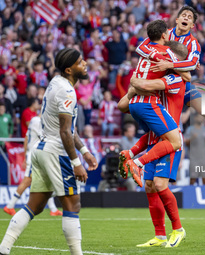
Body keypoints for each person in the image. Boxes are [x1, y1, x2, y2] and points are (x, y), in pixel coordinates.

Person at [0, 48, 98, 255]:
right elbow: (64, 132)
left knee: (34, 206)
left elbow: (69, 130)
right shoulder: (68, 91)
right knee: (72, 204)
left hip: (42, 149)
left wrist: (85, 151)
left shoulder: (56, 82)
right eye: (81, 63)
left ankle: (4, 248)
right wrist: (77, 163)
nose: (85, 64)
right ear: (70, 69)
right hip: (56, 151)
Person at [118, 41, 188, 248]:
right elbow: (122, 105)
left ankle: (178, 229)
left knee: (159, 184)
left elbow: (147, 85)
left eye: (163, 58)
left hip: (169, 140)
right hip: (154, 140)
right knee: (149, 187)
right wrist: (133, 90)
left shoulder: (175, 79)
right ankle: (159, 235)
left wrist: (135, 81)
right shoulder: (159, 80)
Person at [136, 5, 205, 143]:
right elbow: (141, 47)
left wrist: (170, 64)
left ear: (192, 25)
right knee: (163, 126)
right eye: (184, 15)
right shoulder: (165, 33)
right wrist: (160, 58)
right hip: (162, 82)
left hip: (183, 83)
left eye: (189, 17)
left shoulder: (194, 43)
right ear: (177, 19)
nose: (186, 18)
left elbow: (191, 64)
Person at [120, 20, 189, 187]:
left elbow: (121, 106)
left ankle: (129, 153)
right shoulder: (167, 55)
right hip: (149, 103)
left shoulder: (144, 48)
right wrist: (181, 64)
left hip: (134, 102)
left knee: (155, 134)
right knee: (176, 141)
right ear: (164, 35)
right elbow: (187, 75)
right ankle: (137, 163)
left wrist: (134, 82)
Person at [3, 116, 62, 217]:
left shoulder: (34, 120)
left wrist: (26, 156)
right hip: (36, 155)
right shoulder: (40, 122)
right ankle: (9, 205)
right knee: (27, 181)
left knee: (47, 180)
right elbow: (45, 139)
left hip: (34, 155)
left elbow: (26, 138)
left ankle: (53, 209)